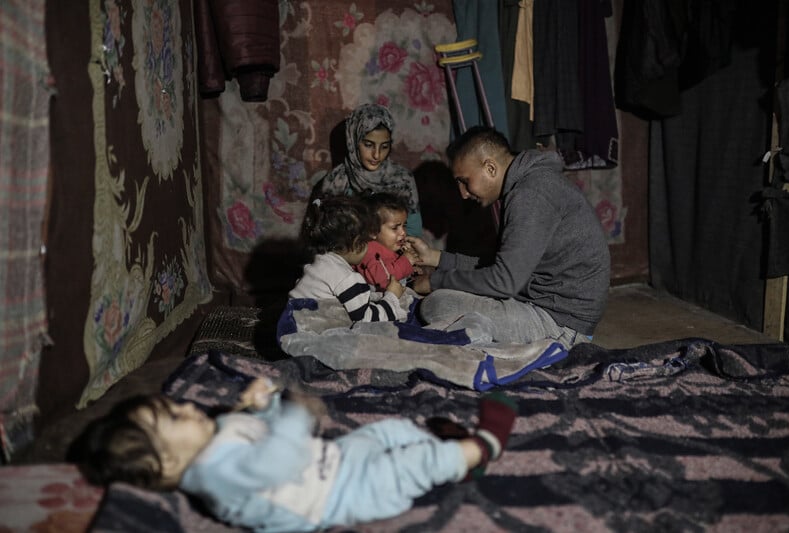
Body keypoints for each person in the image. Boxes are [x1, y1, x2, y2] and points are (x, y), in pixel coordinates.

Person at [68, 377, 518, 533]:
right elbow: (276, 462)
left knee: (384, 432)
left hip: (334, 458)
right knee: (402, 468)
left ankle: (450, 456)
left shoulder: (216, 434)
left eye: (177, 403)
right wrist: (294, 416)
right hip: (339, 496)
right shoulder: (210, 475)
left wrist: (264, 407)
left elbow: (260, 434)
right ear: (167, 464)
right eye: (176, 417)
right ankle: (481, 447)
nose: (188, 406)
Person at [407, 126, 610, 348]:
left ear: (490, 167)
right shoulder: (530, 184)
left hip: (561, 325)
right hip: (545, 305)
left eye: (464, 181)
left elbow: (503, 281)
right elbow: (500, 266)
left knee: (436, 304)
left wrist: (435, 281)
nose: (463, 193)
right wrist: (435, 258)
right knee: (450, 293)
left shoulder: (530, 194)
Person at [289, 195, 408, 322]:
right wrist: (392, 297)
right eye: (365, 243)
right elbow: (367, 320)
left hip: (292, 317)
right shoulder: (347, 277)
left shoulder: (318, 262)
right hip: (310, 329)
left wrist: (379, 296)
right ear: (355, 244)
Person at [313, 103, 423, 238]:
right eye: (368, 145)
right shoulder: (336, 181)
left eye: (384, 146)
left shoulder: (402, 179)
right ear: (353, 142)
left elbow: (414, 232)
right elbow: (324, 234)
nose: (377, 155)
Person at [356, 192, 420, 291]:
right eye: (395, 228)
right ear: (372, 231)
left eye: (404, 225)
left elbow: (391, 267)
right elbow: (380, 280)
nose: (403, 232)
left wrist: (411, 270)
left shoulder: (387, 247)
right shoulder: (368, 252)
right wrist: (405, 262)